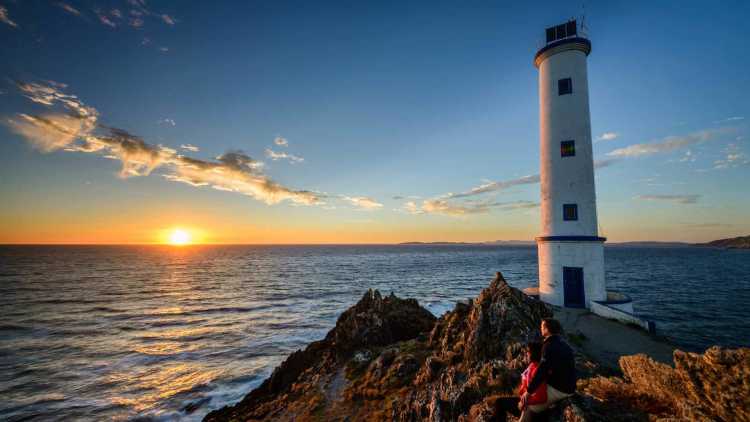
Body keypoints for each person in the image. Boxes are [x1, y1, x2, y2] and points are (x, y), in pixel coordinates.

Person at [518, 318, 577, 420]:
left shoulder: (548, 346)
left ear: (546, 329)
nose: (540, 329)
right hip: (570, 386)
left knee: (527, 405)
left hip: (560, 389)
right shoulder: (564, 344)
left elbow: (542, 370)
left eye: (542, 327)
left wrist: (529, 391)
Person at [495, 341, 546, 422]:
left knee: (500, 403)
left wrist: (523, 403)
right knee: (499, 402)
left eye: (528, 351)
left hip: (529, 407)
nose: (526, 354)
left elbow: (541, 396)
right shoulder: (532, 366)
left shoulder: (537, 370)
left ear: (534, 353)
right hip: (524, 402)